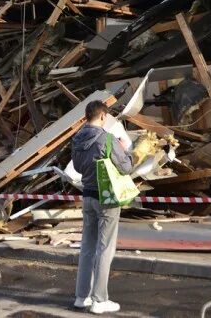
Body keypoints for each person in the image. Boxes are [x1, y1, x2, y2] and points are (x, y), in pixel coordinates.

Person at [71, 100, 132, 314]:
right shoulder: (107, 139)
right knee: (105, 249)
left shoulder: (77, 138)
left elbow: (77, 167)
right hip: (106, 198)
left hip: (87, 195)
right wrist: (126, 150)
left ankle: (81, 297)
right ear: (103, 116)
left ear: (87, 116)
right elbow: (126, 167)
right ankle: (99, 300)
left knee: (87, 247)